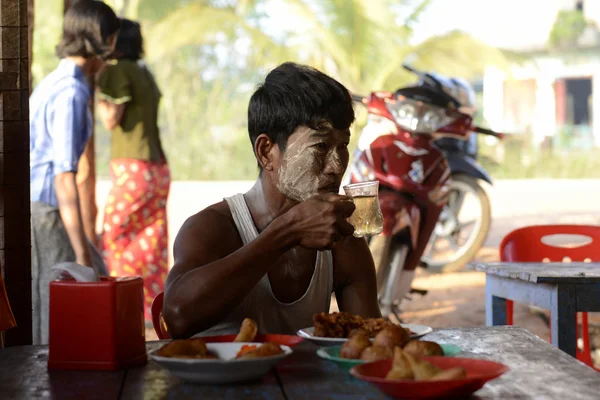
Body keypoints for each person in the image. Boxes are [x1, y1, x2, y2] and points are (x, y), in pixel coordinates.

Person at [163, 62, 381, 339]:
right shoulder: (211, 227)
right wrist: (286, 232)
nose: (337, 166)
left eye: (343, 146)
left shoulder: (342, 240)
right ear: (266, 152)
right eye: (321, 146)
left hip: (301, 384)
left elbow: (371, 344)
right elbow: (178, 317)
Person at [29, 0, 119, 344]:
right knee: (59, 299)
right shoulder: (69, 92)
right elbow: (63, 175)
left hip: (50, 207)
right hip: (48, 209)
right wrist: (81, 251)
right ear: (103, 39)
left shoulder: (62, 82)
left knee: (90, 274)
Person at [96, 19, 170, 323]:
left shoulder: (116, 71)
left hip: (132, 170)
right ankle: (152, 316)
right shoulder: (144, 72)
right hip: (159, 170)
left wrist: (98, 85)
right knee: (150, 246)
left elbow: (111, 118)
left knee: (112, 238)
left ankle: (118, 311)